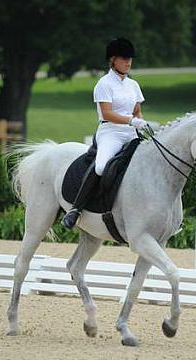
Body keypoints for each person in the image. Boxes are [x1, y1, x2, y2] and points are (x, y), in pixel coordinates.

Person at [63, 37, 148, 228]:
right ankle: (76, 208)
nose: (128, 62)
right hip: (110, 132)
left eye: (130, 59)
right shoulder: (104, 84)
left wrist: (140, 121)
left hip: (131, 131)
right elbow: (108, 113)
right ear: (113, 60)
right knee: (101, 166)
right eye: (124, 58)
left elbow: (136, 110)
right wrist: (131, 120)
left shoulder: (133, 85)